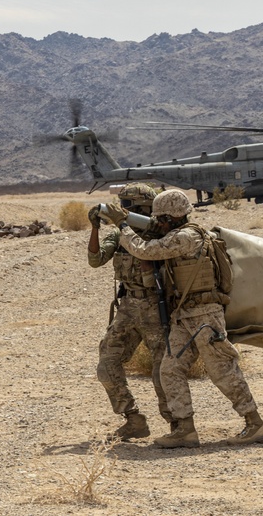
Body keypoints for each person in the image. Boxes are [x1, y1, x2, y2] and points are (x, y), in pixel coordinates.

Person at [102, 189, 263, 447]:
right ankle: (185, 429)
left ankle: (255, 423)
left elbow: (144, 250)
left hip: (204, 315)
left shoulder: (187, 237)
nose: (158, 222)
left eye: (161, 218)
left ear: (171, 217)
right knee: (169, 370)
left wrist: (122, 224)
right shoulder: (180, 233)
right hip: (184, 315)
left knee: (222, 370)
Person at [87, 183, 170, 440]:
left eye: (127, 206)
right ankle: (133, 418)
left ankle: (178, 424)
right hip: (129, 307)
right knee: (107, 363)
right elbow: (95, 260)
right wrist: (95, 227)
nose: (122, 210)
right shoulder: (120, 235)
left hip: (156, 307)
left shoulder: (162, 233)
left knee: (163, 370)